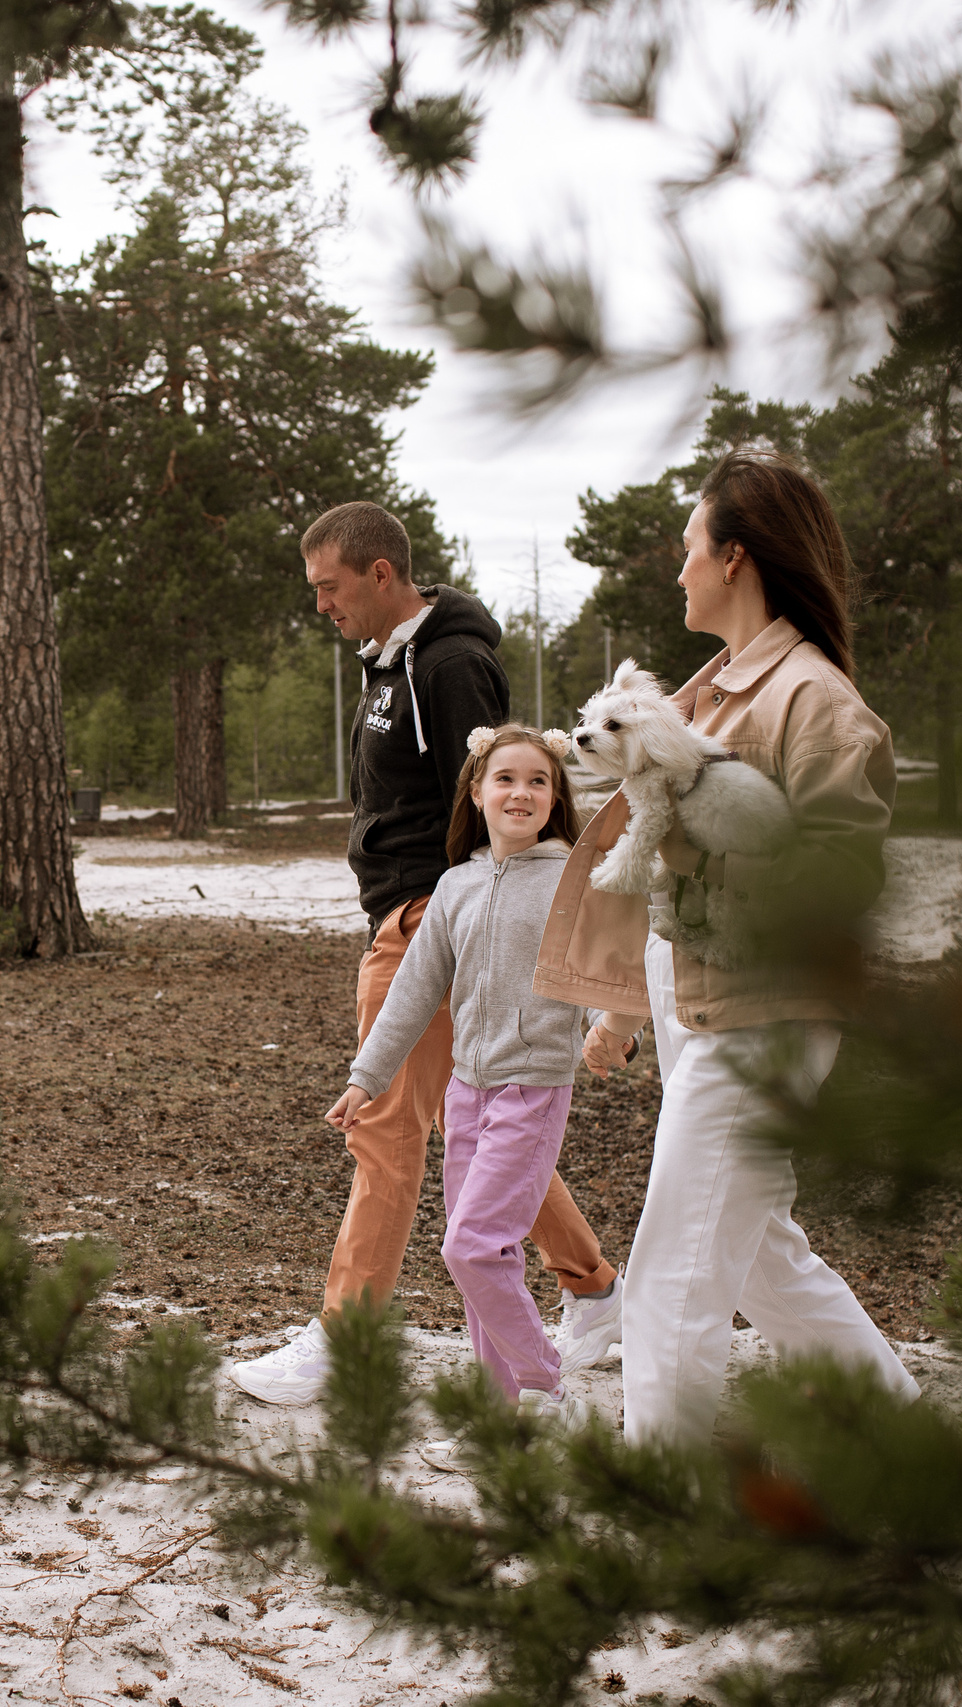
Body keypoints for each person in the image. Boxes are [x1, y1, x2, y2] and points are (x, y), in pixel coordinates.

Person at [533, 449, 920, 1445]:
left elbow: (839, 880)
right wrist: (624, 1000)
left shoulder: (812, 701)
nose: (678, 571)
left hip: (765, 1016)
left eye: (689, 549)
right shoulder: (715, 690)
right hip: (701, 1002)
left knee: (675, 1270)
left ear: (736, 558)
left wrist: (700, 867)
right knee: (756, 1256)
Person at [229, 501, 620, 1407]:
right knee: (456, 1118)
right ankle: (594, 1288)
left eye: (329, 588)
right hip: (411, 914)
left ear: (378, 574)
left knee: (385, 1133)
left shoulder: (450, 665)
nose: (321, 605)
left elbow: (489, 802)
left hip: (424, 923)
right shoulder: (388, 664)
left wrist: (451, 928)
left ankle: (347, 1337)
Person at [329, 724, 593, 1414]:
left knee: (471, 1246)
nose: (522, 792)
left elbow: (601, 969)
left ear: (555, 795)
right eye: (505, 778)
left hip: (533, 1088)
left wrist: (608, 1033)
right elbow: (412, 991)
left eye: (539, 780)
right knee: (483, 1257)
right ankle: (498, 1410)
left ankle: (542, 1382)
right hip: (466, 1093)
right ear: (475, 791)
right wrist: (367, 1077)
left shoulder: (572, 878)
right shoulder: (456, 885)